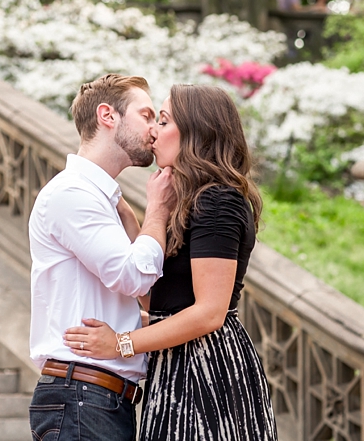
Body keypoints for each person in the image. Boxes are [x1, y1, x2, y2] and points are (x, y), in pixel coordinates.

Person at [64, 84, 278, 440]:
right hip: (174, 367)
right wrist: (142, 219)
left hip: (207, 369)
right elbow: (159, 302)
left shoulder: (218, 202)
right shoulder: (189, 203)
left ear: (196, 132)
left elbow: (209, 313)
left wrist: (122, 343)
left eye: (162, 121)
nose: (153, 132)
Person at [28, 74, 176, 441]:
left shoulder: (103, 201)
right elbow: (132, 277)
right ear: (107, 116)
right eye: (146, 115)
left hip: (96, 400)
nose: (154, 129)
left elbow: (139, 294)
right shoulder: (73, 193)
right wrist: (157, 210)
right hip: (82, 398)